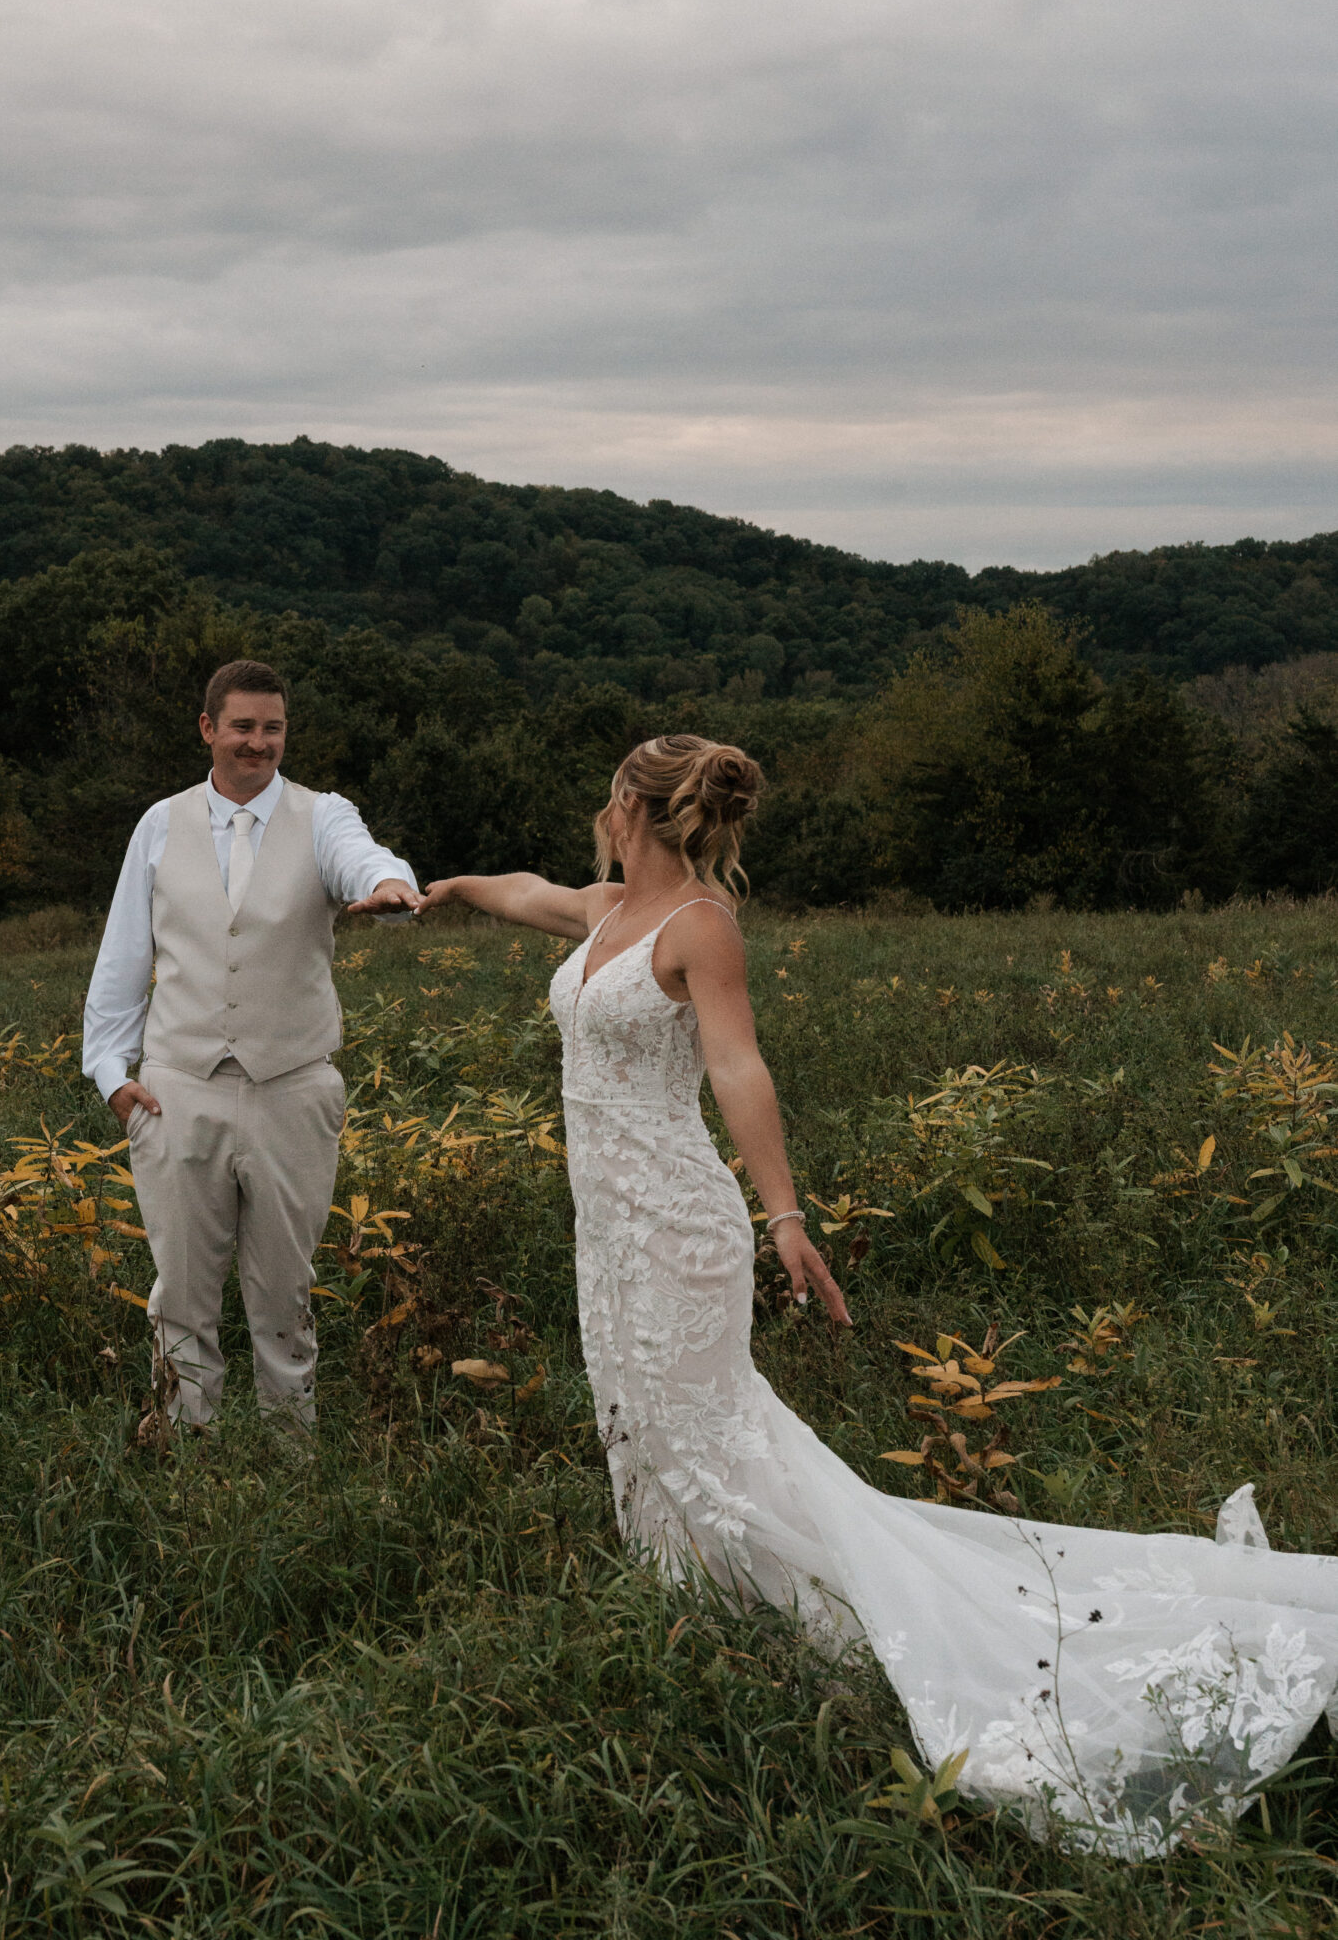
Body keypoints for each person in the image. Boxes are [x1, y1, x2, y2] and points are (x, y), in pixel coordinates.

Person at [422, 733, 1338, 1858]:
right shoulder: (608, 909)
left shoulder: (698, 924)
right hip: (605, 1226)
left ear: (629, 803)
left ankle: (780, 1613)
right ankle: (689, 1602)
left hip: (675, 1219)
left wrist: (786, 1217)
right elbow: (532, 895)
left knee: (707, 1426)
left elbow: (736, 1065)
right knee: (641, 1415)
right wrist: (449, 888)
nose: (594, 818)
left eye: (604, 797)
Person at [83, 658, 422, 1435]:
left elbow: (364, 860)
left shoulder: (323, 815)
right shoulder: (160, 824)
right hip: (177, 1089)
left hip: (292, 1087)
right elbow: (124, 956)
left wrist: (392, 888)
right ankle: (187, 1458)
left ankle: (288, 1461)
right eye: (241, 726)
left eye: (271, 728)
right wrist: (110, 1074)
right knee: (181, 1297)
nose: (257, 743)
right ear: (208, 728)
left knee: (283, 1297)